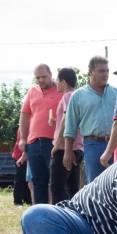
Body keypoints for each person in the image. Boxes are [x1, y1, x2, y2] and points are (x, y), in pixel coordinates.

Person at [64, 56, 117, 183]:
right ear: (90, 72)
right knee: (95, 185)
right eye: (101, 71)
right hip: (93, 145)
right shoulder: (78, 96)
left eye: (107, 71)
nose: (105, 74)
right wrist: (68, 151)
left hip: (116, 144)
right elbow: (70, 127)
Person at [18, 64, 64, 204]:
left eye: (44, 76)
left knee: (55, 182)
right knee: (37, 182)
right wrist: (23, 139)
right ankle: (40, 212)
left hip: (54, 143)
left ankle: (56, 213)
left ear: (51, 74)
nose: (41, 80)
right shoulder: (32, 91)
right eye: (37, 77)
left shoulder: (61, 90)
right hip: (33, 143)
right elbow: (25, 115)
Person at [49, 67, 83, 205]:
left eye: (57, 80)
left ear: (63, 82)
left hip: (65, 149)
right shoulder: (78, 96)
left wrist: (57, 145)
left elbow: (67, 118)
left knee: (57, 187)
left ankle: (57, 215)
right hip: (78, 148)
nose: (55, 83)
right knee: (72, 189)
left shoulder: (68, 96)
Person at [12, 127, 32, 206]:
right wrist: (23, 156)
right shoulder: (24, 127)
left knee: (28, 179)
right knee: (20, 179)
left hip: (27, 156)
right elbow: (25, 142)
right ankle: (18, 201)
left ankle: (28, 200)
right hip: (20, 156)